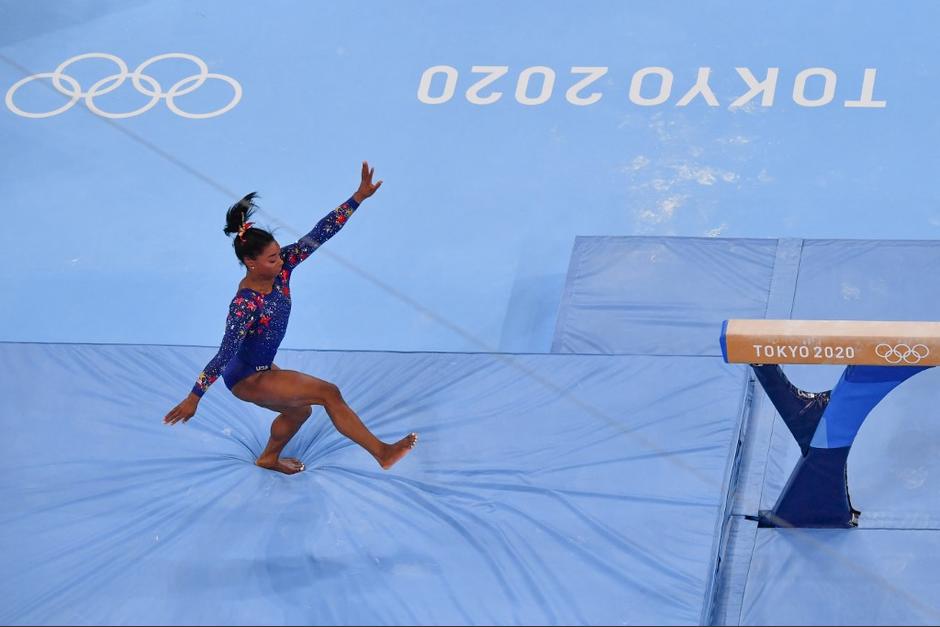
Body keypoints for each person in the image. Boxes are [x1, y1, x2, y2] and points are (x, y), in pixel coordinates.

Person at [164, 162, 417, 474]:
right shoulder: (245, 304)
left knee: (300, 412)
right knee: (328, 393)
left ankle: (268, 458)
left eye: (279, 253)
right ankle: (382, 453)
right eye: (271, 258)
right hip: (247, 377)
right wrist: (194, 398)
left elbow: (319, 233)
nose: (280, 259)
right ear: (250, 263)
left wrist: (357, 198)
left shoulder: (282, 267)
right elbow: (225, 352)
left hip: (261, 367)